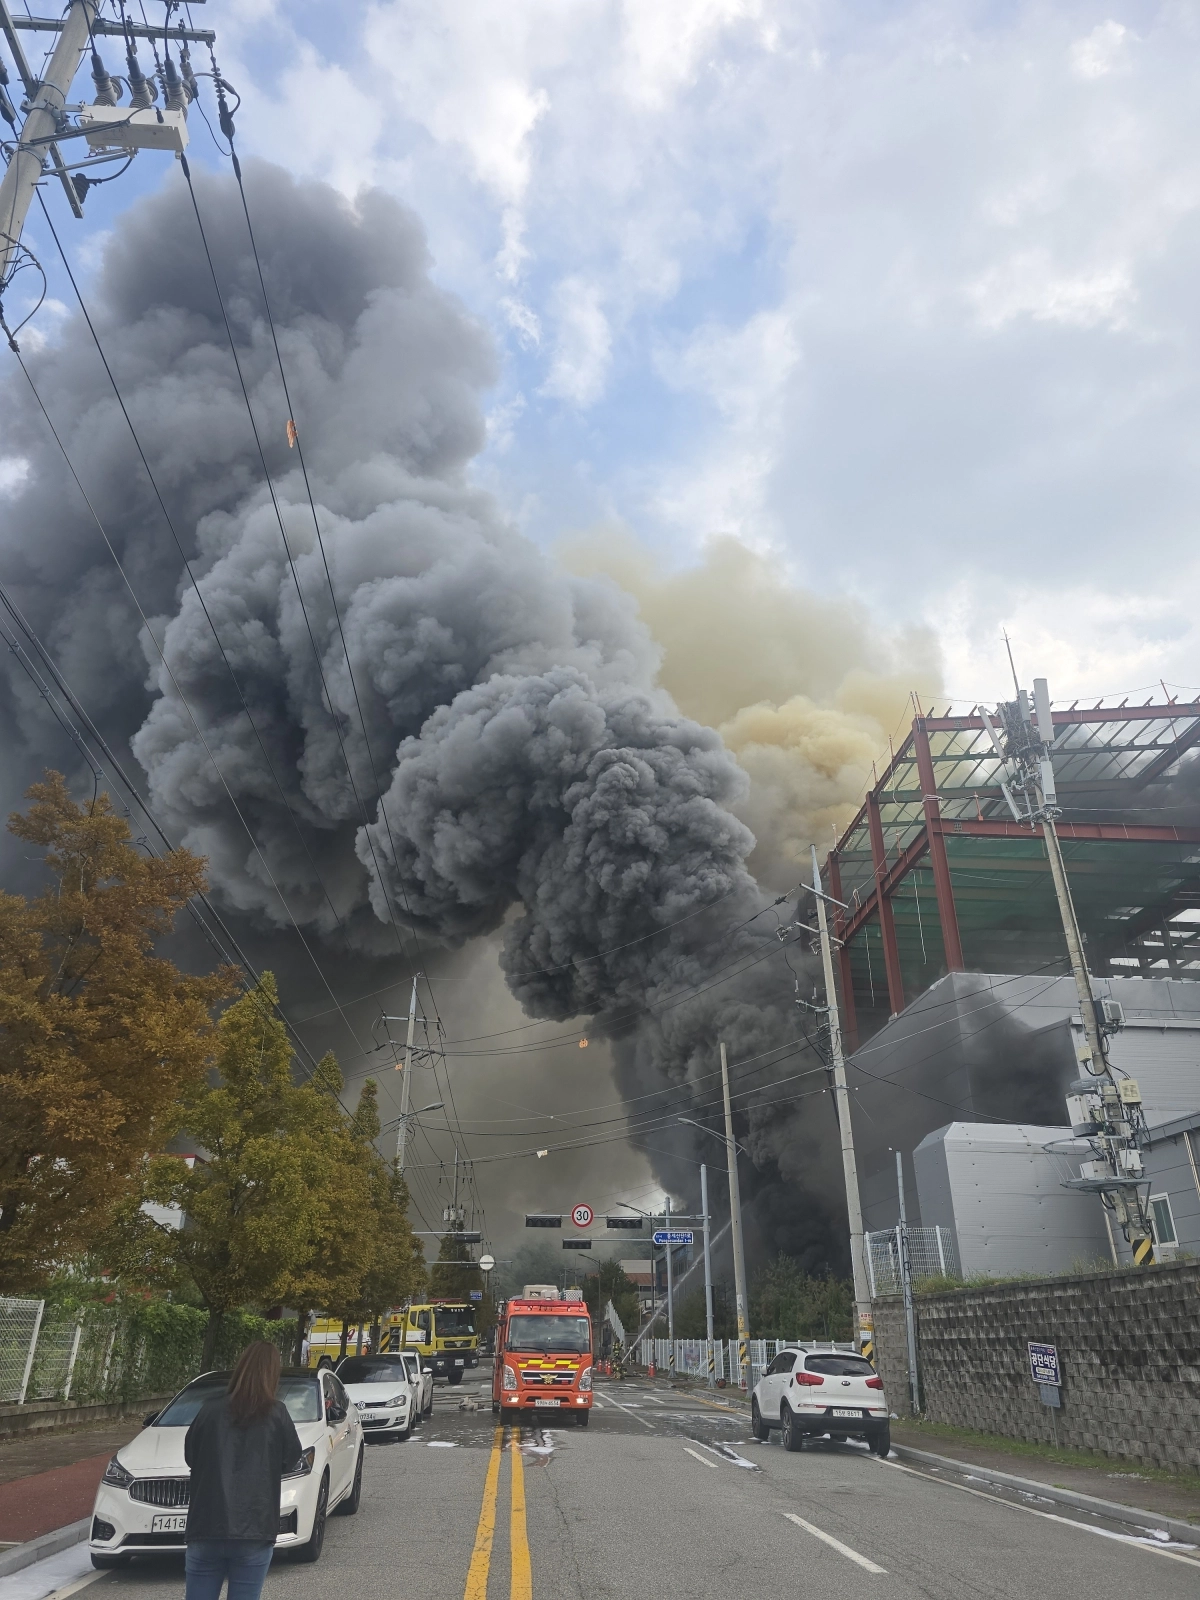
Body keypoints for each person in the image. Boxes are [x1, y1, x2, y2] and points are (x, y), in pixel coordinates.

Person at [184, 1341, 303, 1600]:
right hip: (255, 1527)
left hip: (206, 1524)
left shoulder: (210, 1410)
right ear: (272, 1374)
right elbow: (291, 1458)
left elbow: (190, 1456)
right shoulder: (277, 1414)